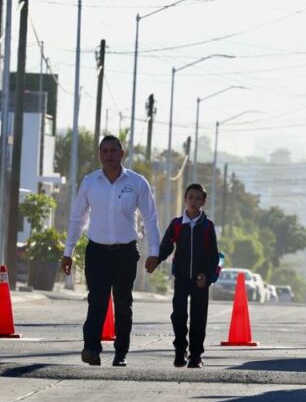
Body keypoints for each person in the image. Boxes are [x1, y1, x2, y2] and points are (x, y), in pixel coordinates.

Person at [61, 135, 160, 367]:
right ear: (99, 155)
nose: (108, 155)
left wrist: (154, 252)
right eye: (104, 151)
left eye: (113, 151)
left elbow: (150, 218)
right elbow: (77, 218)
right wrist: (68, 251)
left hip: (125, 253)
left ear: (122, 153)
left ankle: (120, 353)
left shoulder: (137, 183)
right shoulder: (90, 182)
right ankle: (91, 349)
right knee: (97, 302)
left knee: (123, 305)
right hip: (97, 253)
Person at [155, 183, 220, 369]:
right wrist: (156, 260)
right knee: (178, 315)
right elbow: (166, 246)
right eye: (190, 197)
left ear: (203, 202)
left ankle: (196, 355)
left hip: (201, 281)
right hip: (181, 278)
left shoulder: (207, 226)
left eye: (198, 198)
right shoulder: (177, 224)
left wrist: (206, 275)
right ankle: (179, 351)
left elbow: (213, 255)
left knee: (199, 318)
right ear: (185, 199)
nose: (193, 201)